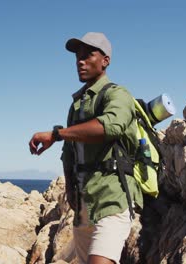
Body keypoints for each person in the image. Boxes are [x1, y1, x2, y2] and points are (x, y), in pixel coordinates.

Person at [29, 32, 142, 264]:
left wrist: (56, 134)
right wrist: (70, 187)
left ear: (105, 60)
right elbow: (69, 152)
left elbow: (110, 126)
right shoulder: (78, 103)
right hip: (84, 203)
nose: (80, 61)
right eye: (77, 56)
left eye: (88, 54)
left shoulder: (117, 94)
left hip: (113, 197)